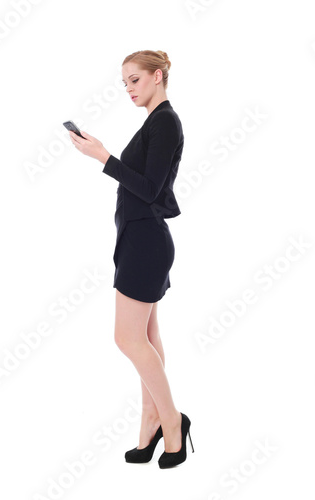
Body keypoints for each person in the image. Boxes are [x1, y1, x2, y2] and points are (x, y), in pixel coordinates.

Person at [68, 50, 194, 469]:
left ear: (157, 77)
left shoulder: (166, 122)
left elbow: (151, 188)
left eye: (135, 80)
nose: (128, 89)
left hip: (146, 244)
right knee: (148, 337)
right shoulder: (154, 123)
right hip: (137, 239)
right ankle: (150, 421)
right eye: (124, 83)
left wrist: (102, 156)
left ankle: (173, 422)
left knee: (127, 339)